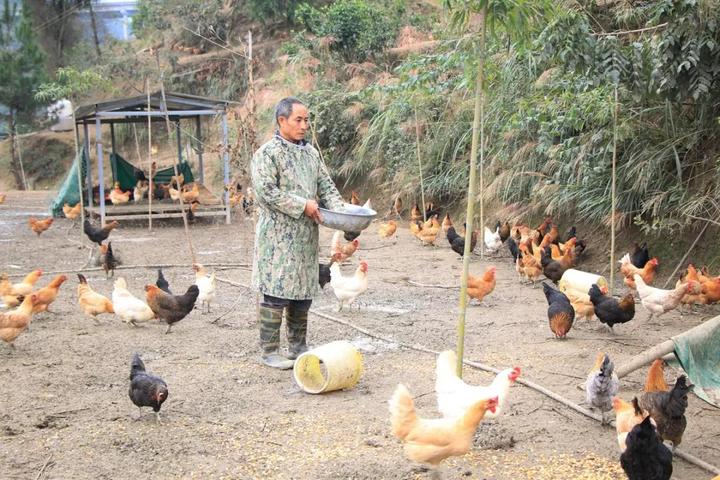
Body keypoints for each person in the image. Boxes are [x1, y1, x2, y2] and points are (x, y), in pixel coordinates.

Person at [251, 97, 345, 369]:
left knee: (303, 292)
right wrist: (303, 204)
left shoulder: (310, 154)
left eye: (307, 120)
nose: (304, 125)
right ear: (282, 121)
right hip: (276, 238)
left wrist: (347, 218)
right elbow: (266, 192)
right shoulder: (267, 154)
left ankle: (298, 347)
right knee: (276, 291)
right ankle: (269, 351)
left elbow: (326, 189)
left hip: (305, 236)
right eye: (298, 120)